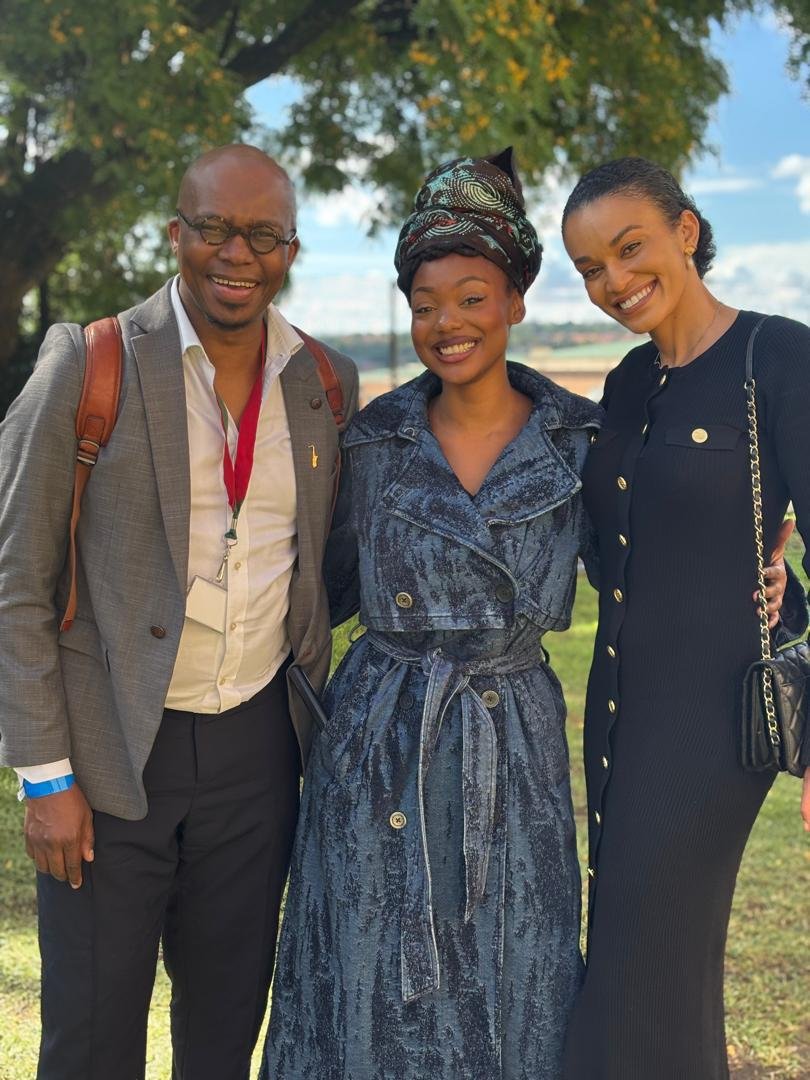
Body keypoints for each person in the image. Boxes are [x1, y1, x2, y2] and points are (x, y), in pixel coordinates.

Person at [0, 144, 358, 1080]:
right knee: (89, 1038)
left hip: (258, 758)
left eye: (264, 234)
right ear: (176, 233)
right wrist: (44, 778)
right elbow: (16, 584)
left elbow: (330, 567)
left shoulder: (325, 383)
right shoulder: (89, 362)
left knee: (224, 1032)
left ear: (290, 250)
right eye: (214, 229)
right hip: (108, 758)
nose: (237, 253)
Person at [261, 148, 601, 1079]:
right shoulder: (373, 438)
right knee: (362, 979)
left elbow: (647, 576)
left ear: (517, 301)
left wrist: (771, 579)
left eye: (471, 296)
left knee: (511, 975)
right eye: (424, 304)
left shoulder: (580, 439)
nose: (446, 323)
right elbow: (310, 597)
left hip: (512, 747)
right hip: (378, 749)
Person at [559, 156, 810, 1079]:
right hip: (623, 712)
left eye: (630, 249)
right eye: (590, 269)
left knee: (638, 964)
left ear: (687, 231)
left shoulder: (775, 356)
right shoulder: (627, 382)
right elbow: (614, 546)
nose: (615, 282)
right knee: (654, 972)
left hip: (715, 727)